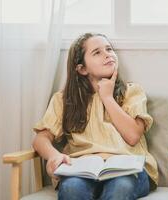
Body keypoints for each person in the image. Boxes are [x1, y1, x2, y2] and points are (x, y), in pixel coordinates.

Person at [32, 33, 158, 200]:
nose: (107, 54)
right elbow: (40, 139)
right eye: (97, 52)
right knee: (71, 189)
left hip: (127, 169)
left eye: (109, 49)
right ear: (82, 69)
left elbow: (133, 136)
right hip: (81, 170)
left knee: (120, 188)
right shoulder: (63, 100)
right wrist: (53, 155)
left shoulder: (132, 92)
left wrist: (107, 97)